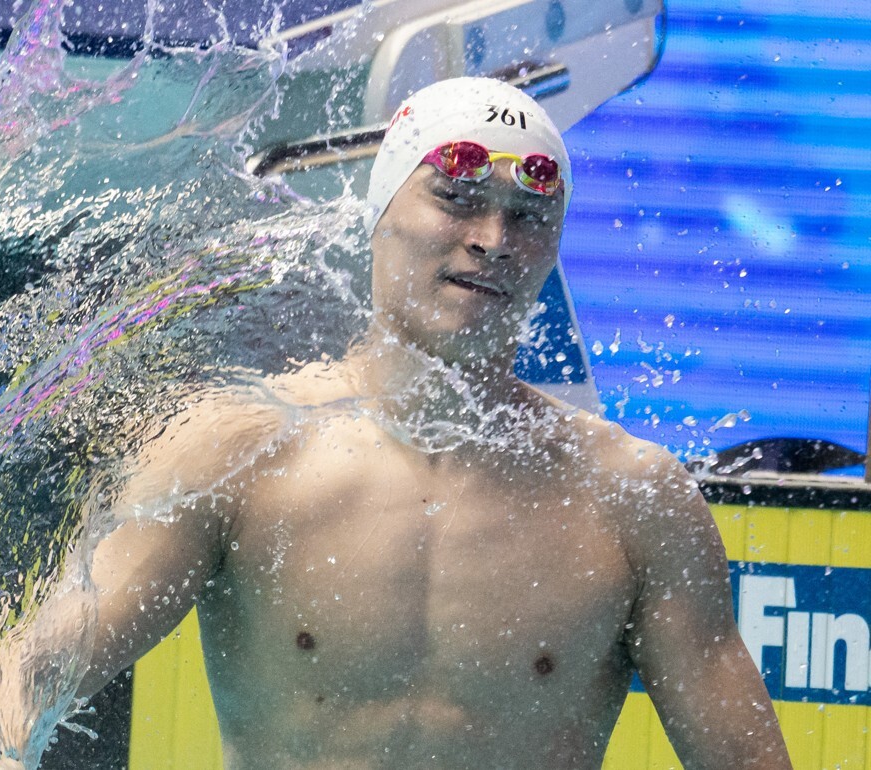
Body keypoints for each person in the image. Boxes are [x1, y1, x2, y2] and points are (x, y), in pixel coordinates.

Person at [79, 78, 792, 769]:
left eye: (529, 216)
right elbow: (30, 673)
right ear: (380, 208)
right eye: (457, 199)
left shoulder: (633, 499)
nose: (493, 238)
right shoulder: (237, 450)